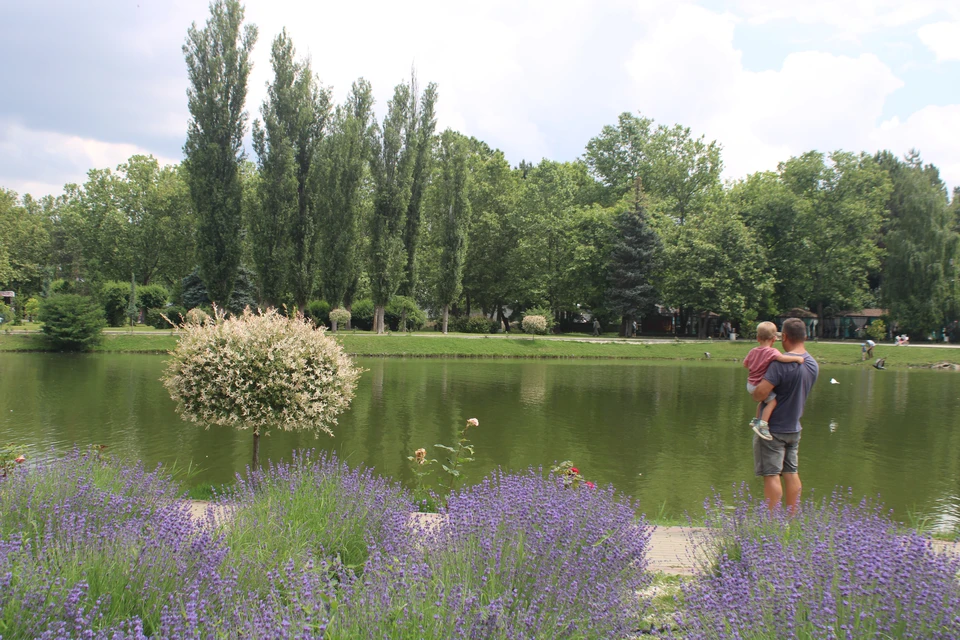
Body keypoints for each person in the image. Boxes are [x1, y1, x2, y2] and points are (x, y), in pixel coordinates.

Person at [750, 317, 819, 514]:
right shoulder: (812, 364)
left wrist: (756, 391)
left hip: (772, 430)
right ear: (805, 336)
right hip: (794, 428)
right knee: (791, 472)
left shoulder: (779, 364)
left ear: (785, 336)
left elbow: (760, 394)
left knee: (771, 474)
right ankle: (791, 520)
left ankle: (772, 525)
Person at [743, 322, 806, 441]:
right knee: (772, 403)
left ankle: (756, 420)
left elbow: (745, 364)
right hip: (759, 384)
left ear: (758, 338)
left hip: (750, 384)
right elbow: (782, 358)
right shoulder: (772, 352)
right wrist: (797, 358)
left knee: (763, 401)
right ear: (774, 339)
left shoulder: (752, 351)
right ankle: (763, 425)